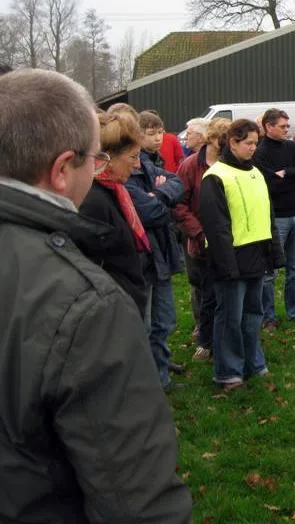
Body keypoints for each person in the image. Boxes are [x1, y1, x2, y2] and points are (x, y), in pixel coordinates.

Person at [0, 68, 192, 521]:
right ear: (63, 169)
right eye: (95, 158)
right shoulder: (83, 305)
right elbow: (135, 501)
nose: (101, 168)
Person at [199, 119, 284, 390]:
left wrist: (274, 254)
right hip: (231, 258)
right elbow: (217, 227)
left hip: (256, 256)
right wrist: (228, 266)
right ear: (233, 142)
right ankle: (228, 372)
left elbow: (267, 216)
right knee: (229, 318)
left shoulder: (256, 173)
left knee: (252, 315)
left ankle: (253, 363)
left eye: (255, 143)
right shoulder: (216, 176)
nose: (253, 149)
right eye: (248, 143)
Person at [127, 106, 186, 391]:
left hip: (162, 252)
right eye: (151, 134)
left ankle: (161, 375)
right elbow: (149, 212)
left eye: (161, 132)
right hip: (142, 258)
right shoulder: (129, 174)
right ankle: (146, 382)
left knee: (165, 320)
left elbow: (177, 182)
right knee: (144, 324)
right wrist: (161, 198)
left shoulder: (149, 165)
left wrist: (159, 194)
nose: (158, 138)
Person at [78, 112, 149, 317]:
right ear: (106, 158)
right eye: (133, 157)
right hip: (113, 313)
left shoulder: (114, 190)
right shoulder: (93, 201)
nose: (137, 165)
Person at [254, 108, 295, 327]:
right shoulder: (260, 153)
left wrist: (287, 173)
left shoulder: (292, 147)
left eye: (287, 126)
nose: (286, 130)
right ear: (268, 126)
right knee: (269, 272)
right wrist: (294, 178)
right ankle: (268, 317)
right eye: (282, 126)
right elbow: (270, 185)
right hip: (276, 219)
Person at [175, 118, 229, 361]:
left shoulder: (232, 163)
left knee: (226, 292)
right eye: (223, 140)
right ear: (212, 139)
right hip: (200, 241)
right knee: (203, 291)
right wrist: (198, 232)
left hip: (228, 241)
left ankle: (224, 337)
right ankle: (204, 338)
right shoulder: (189, 166)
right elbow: (179, 204)